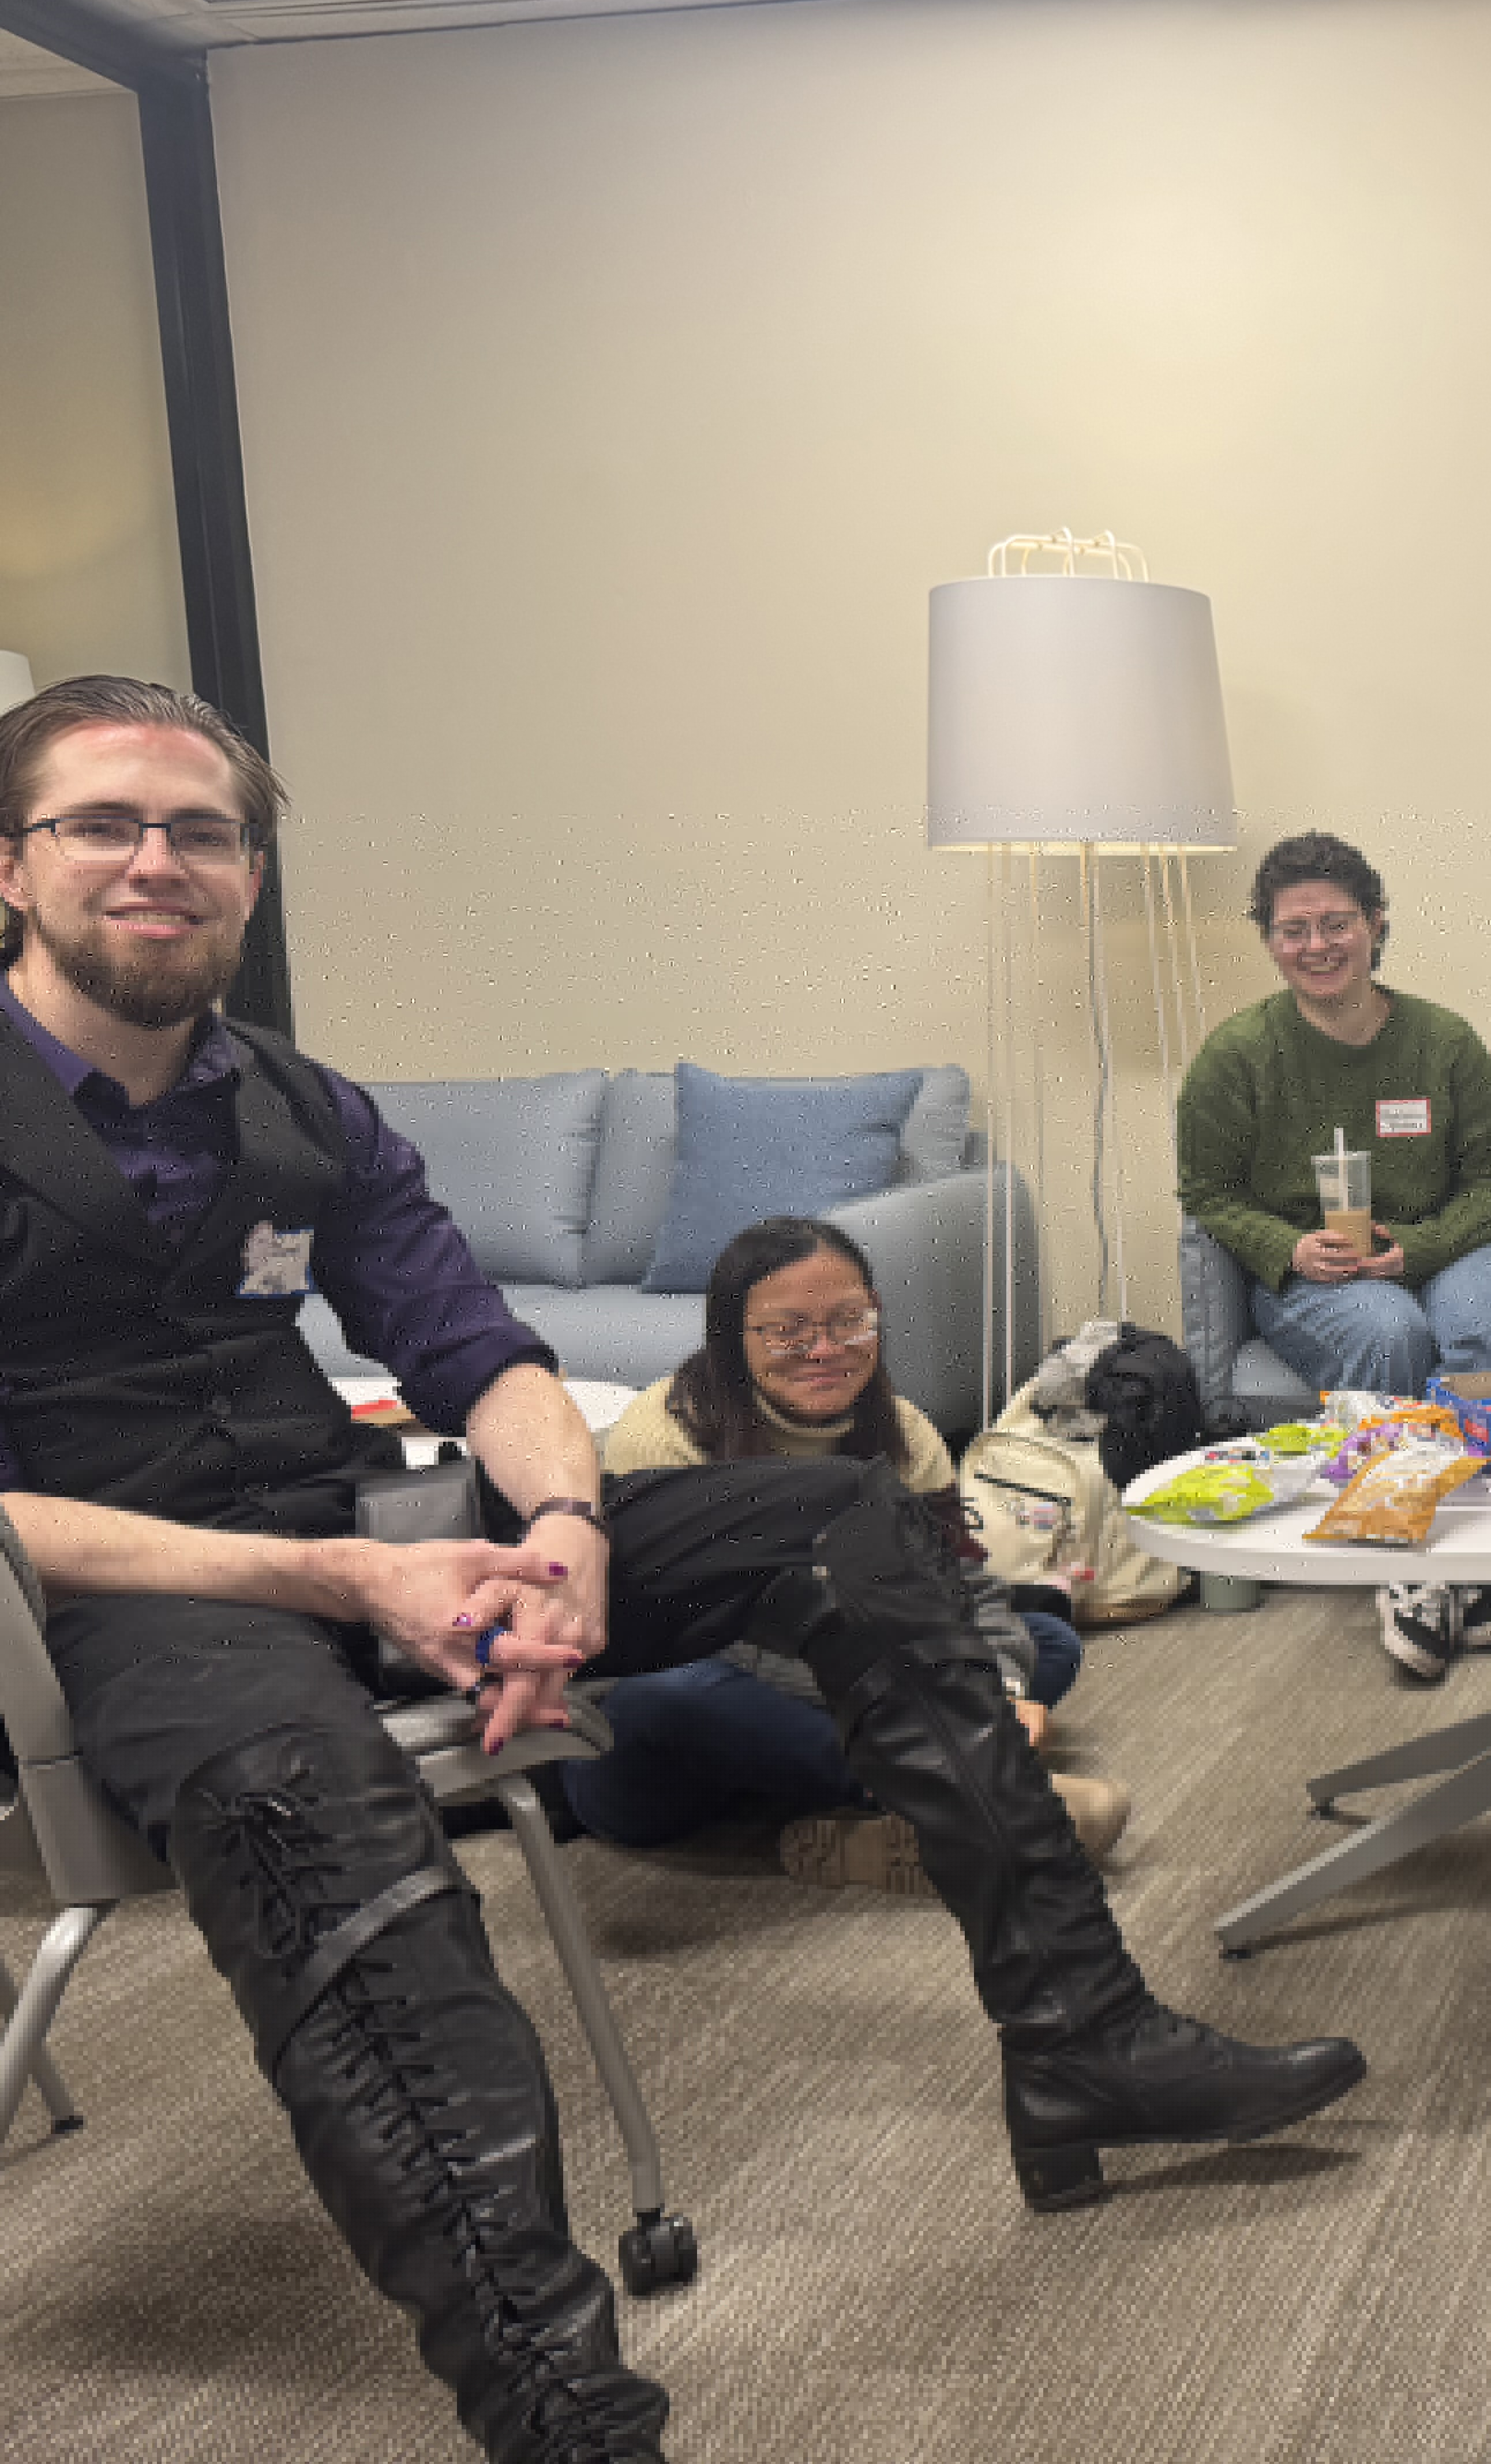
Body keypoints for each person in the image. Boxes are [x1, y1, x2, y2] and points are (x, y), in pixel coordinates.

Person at [0, 677, 1362, 2464]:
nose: (159, 863)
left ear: (250, 876)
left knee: (841, 1513)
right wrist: (343, 1580)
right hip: (135, 1614)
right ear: (12, 864)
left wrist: (563, 1532)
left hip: (370, 1546)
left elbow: (478, 1350)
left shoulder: (297, 1106)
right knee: (306, 1797)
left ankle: (1078, 2033)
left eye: (204, 831)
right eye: (105, 824)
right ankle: (559, 2403)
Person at [572, 1214, 1133, 1885]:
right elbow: (712, 1643)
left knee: (1046, 1639)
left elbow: (962, 1589)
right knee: (668, 1696)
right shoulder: (668, 1435)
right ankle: (958, 1791)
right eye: (787, 1331)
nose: (824, 1349)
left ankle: (877, 1813)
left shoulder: (903, 1432)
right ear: (730, 1336)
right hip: (669, 1751)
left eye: (849, 1321)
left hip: (846, 1705)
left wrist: (997, 1688)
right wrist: (920, 1700)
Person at [1175, 828, 1491, 1683]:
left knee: (1483, 1319)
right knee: (1388, 1332)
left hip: (1449, 1245)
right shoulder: (1237, 1057)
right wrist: (1289, 1248)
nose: (1317, 946)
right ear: (1270, 941)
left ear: (1376, 924)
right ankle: (1404, 1557)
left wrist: (1420, 1246)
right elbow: (1207, 1193)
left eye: (1335, 924)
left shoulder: (1443, 1041)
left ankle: (1478, 1545)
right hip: (1321, 1273)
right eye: (1293, 930)